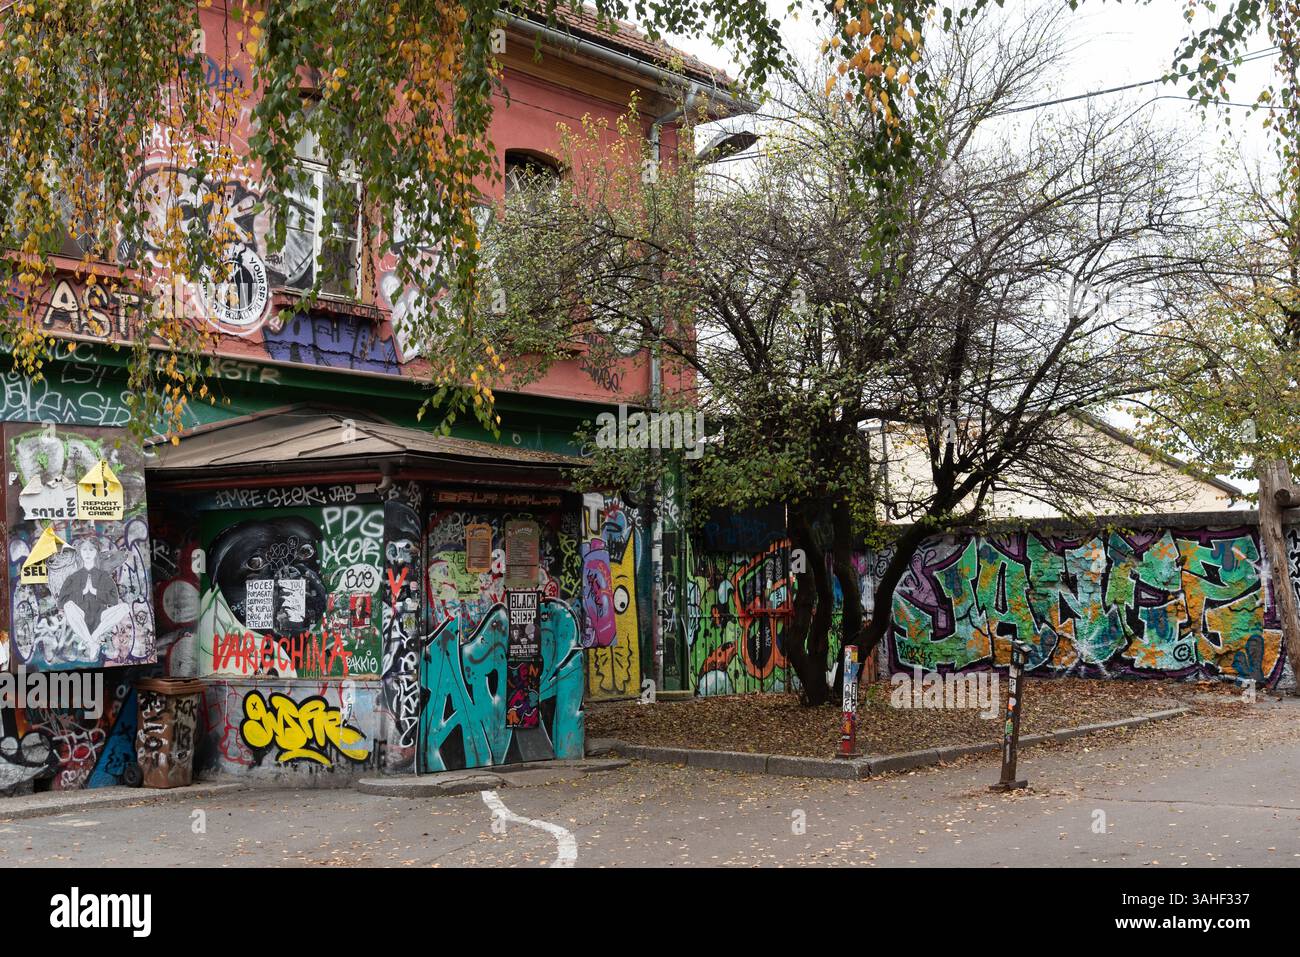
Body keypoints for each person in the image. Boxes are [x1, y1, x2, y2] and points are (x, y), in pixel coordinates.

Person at [58, 539, 130, 659]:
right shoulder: (73, 577)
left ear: (96, 553)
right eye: (84, 550)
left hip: (100, 617)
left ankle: (92, 640)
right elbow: (61, 602)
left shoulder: (104, 576)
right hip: (80, 617)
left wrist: (96, 592)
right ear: (80, 553)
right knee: (68, 606)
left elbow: (114, 599)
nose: (87, 553)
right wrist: (82, 592)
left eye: (91, 550)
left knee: (124, 607)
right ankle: (92, 641)